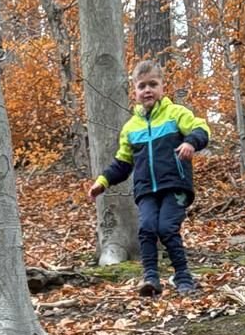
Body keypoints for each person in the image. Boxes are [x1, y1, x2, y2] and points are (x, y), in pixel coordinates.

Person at [88, 59, 210, 298]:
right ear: (135, 90)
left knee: (166, 228)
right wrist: (102, 181)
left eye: (153, 84)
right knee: (146, 229)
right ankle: (151, 278)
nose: (147, 90)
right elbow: (123, 163)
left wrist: (190, 142)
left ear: (162, 87)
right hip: (145, 190)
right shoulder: (131, 128)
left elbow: (201, 128)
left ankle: (184, 277)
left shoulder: (176, 114)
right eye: (142, 86)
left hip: (175, 185)